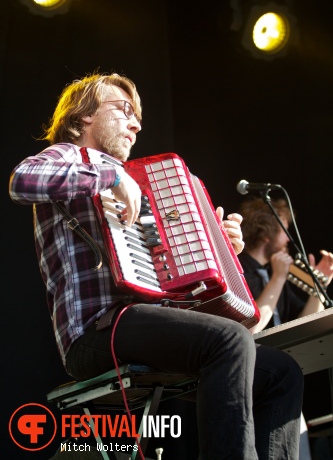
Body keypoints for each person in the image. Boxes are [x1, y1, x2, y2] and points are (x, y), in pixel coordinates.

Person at [9, 72, 304, 459]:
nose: (135, 124)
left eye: (138, 118)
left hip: (143, 321)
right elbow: (21, 181)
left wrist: (222, 250)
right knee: (230, 342)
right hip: (95, 331)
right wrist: (111, 174)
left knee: (282, 371)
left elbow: (171, 284)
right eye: (124, 110)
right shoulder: (69, 156)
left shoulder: (138, 185)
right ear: (84, 116)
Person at [238, 196, 333, 460]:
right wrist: (279, 277)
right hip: (255, 384)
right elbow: (254, 324)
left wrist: (319, 288)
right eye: (284, 229)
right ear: (267, 232)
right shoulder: (242, 268)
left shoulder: (274, 275)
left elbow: (303, 320)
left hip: (284, 382)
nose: (289, 239)